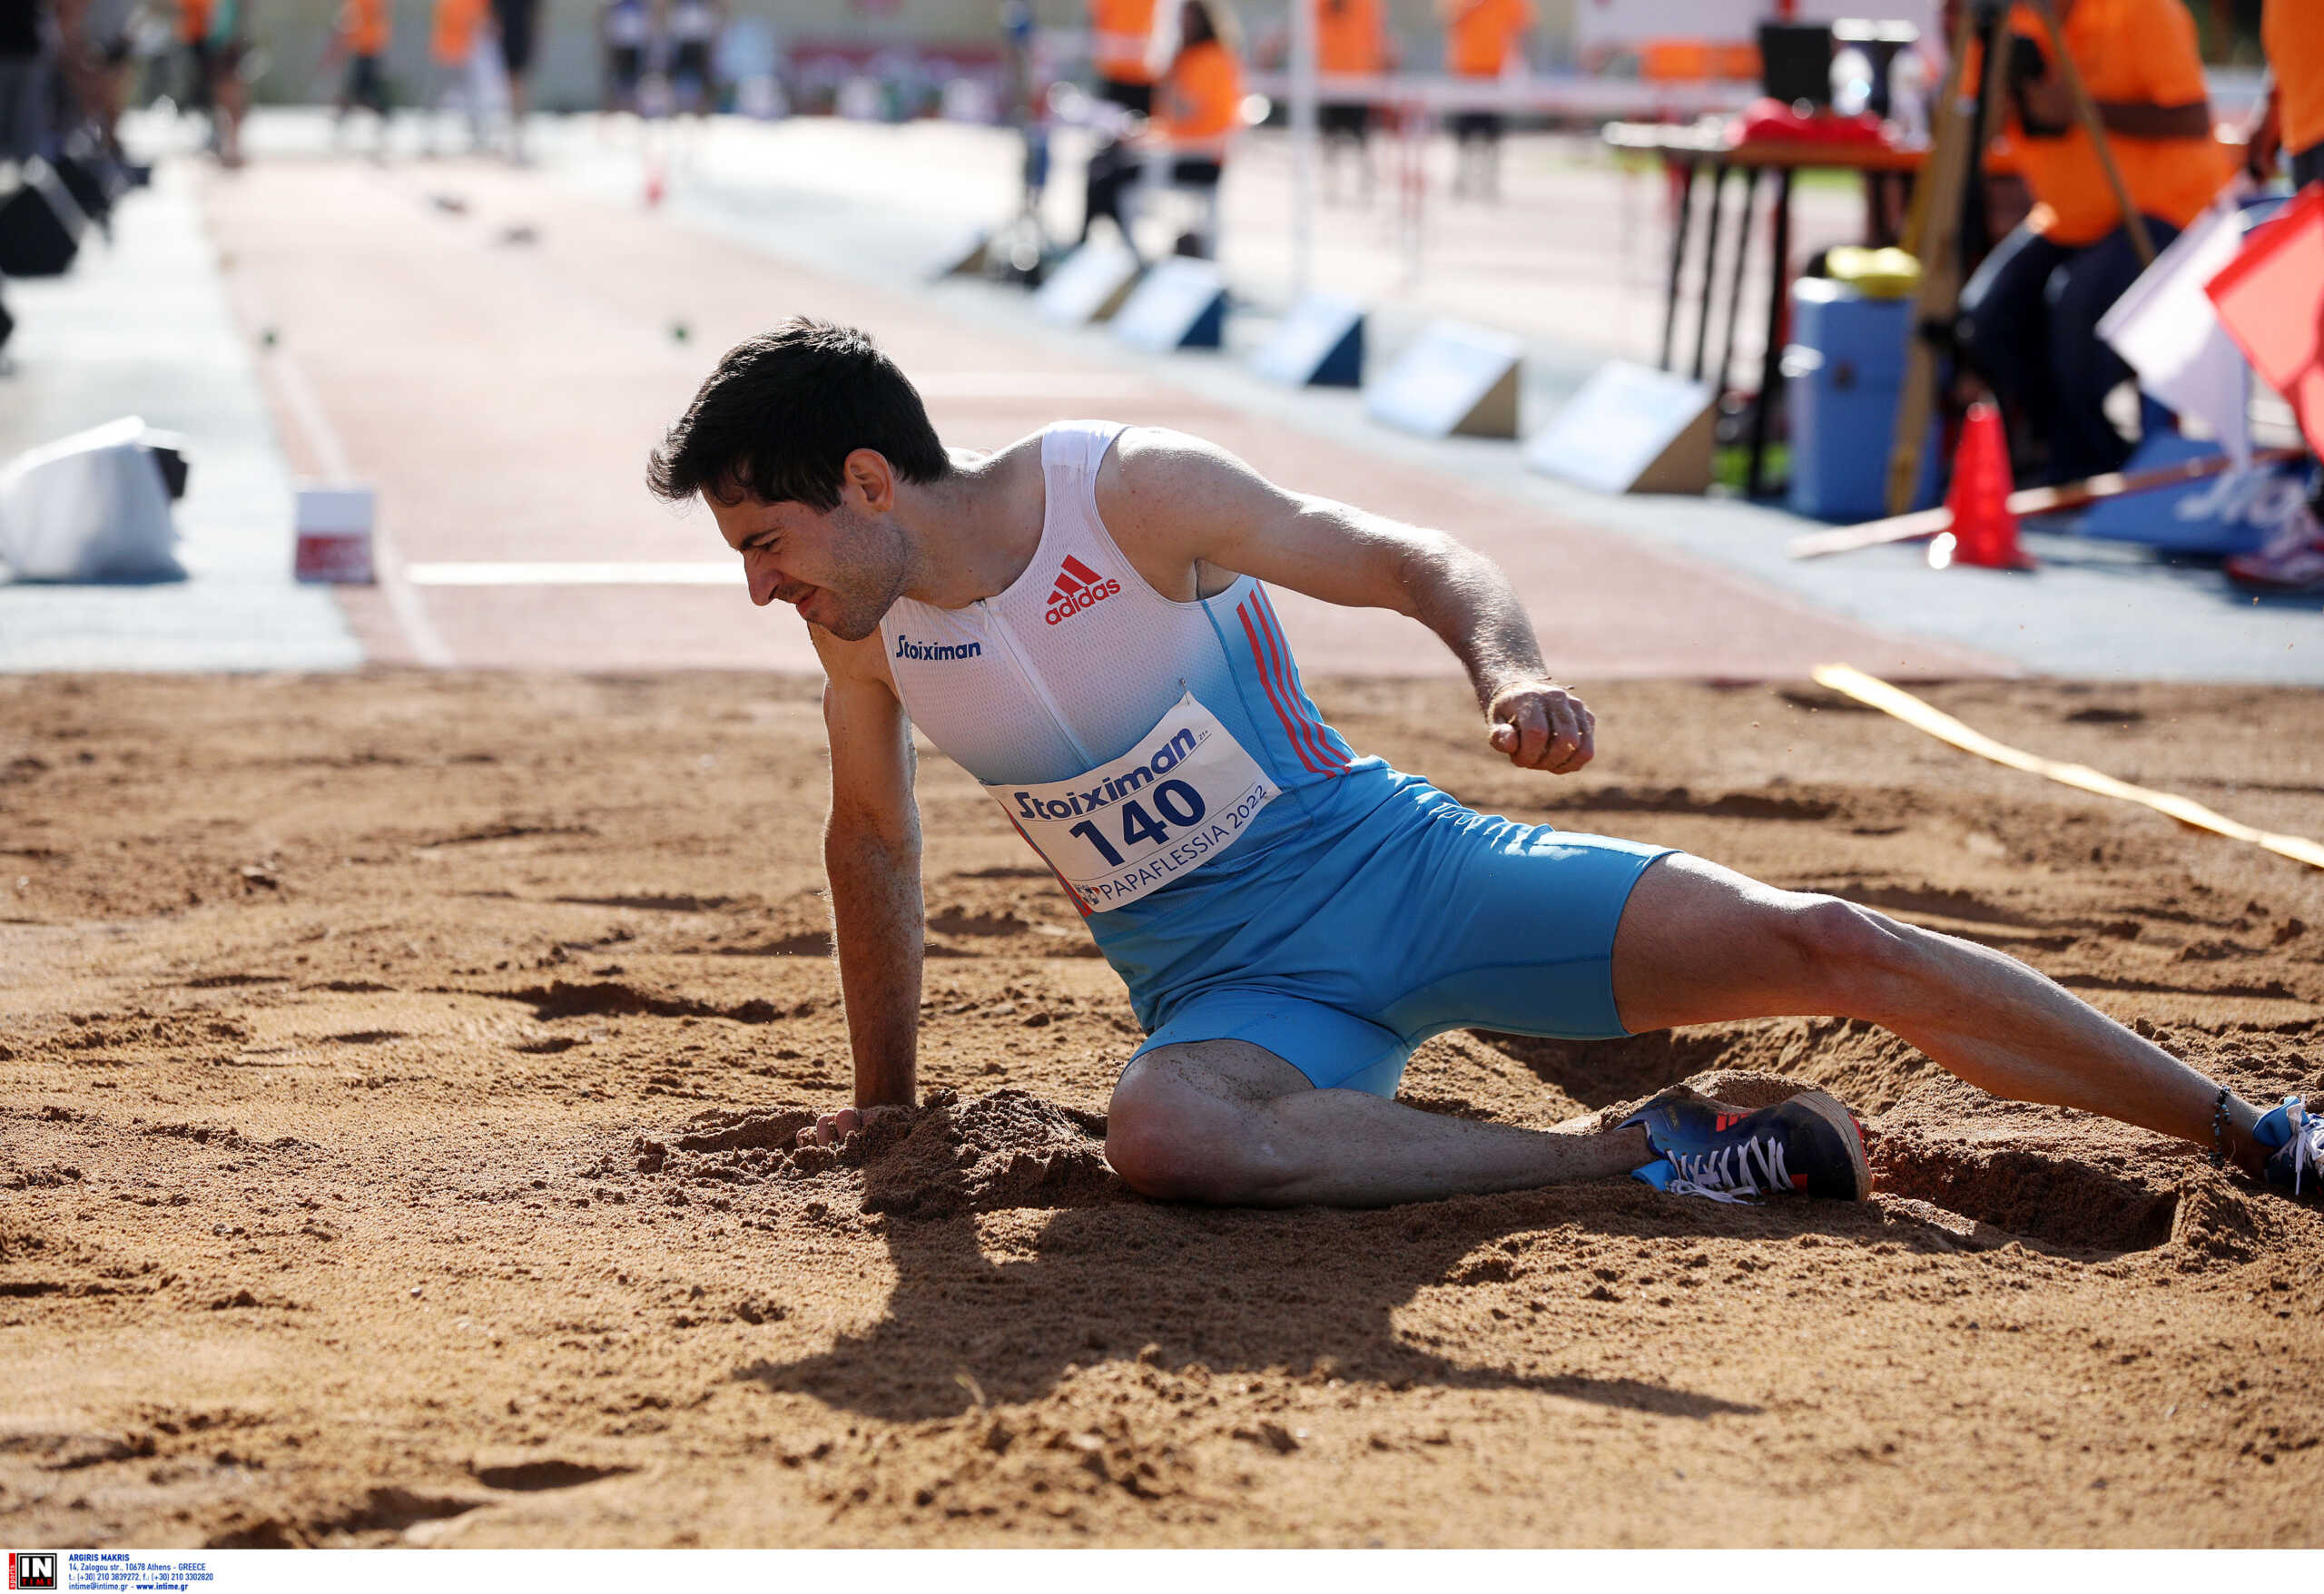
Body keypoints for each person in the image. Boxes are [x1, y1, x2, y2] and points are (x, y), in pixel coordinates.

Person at [643, 318, 2324, 1210]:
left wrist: (1507, 668)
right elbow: (873, 844)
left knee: (1842, 946)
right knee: (1165, 1134)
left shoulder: (1123, 490)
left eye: (767, 538)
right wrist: (881, 1106)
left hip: (1416, 877)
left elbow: (1402, 552)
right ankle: (1637, 1155)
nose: (759, 585)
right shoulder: (855, 628)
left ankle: (2257, 1131)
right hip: (1241, 997)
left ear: (869, 479)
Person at [1955, 0, 2232, 487]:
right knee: (1986, 312)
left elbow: (2191, 118)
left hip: (2164, 213)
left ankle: (2090, 461)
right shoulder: (2005, 23)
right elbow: (1978, 123)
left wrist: (2084, 109)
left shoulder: (2143, 11)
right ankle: (2047, 444)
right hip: (2065, 218)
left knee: (2077, 301)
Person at [1438, 0, 1527, 201]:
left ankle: (1490, 181)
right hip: (1466, 72)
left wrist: (1520, 64)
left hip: (1494, 73)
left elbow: (1521, 29)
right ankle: (1461, 178)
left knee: (1493, 132)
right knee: (1463, 132)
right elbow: (1448, 19)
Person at [1315, 0, 1389, 202]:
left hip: (1358, 82)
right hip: (1331, 80)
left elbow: (1375, 36)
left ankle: (1363, 188)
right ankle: (1331, 187)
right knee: (1331, 141)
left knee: (1361, 140)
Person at [329, 0, 391, 152]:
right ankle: (381, 120)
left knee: (362, 90)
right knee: (362, 90)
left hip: (367, 49)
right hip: (366, 48)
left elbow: (349, 21)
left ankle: (381, 120)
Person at [425, 0, 487, 153]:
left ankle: (477, 138)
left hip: (466, 53)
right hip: (446, 52)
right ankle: (428, 137)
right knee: (436, 95)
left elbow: (482, 23)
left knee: (473, 96)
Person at [490, 0, 538, 160]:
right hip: (510, 35)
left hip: (516, 35)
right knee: (511, 86)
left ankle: (516, 136)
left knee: (514, 86)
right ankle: (512, 135)